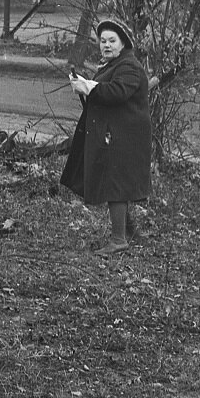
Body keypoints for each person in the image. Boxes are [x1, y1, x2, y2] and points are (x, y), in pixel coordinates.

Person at [60, 17, 152, 255]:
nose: (107, 45)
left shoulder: (129, 66)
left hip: (125, 136)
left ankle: (119, 239)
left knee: (116, 183)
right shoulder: (114, 65)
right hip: (117, 133)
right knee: (117, 182)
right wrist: (85, 86)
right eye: (103, 41)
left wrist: (89, 87)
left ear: (123, 44)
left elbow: (118, 92)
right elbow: (107, 92)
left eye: (112, 41)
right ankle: (128, 231)